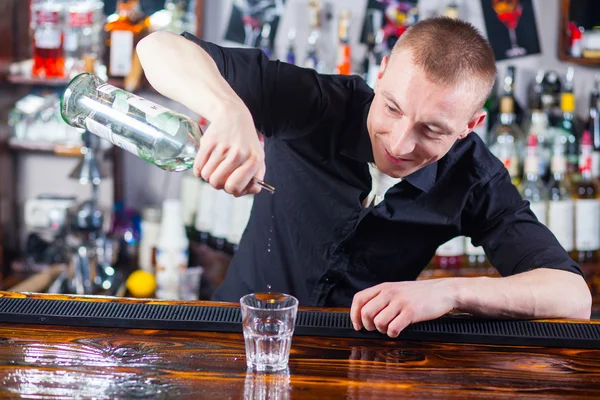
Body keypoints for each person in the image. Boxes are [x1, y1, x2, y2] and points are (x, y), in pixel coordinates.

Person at [136, 17, 592, 338]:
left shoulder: (474, 176)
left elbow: (572, 296)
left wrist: (449, 293)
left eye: (432, 130)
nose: (398, 143)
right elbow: (157, 47)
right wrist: (229, 109)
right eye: (391, 107)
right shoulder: (318, 103)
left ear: (469, 127)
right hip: (236, 332)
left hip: (354, 362)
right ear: (381, 73)